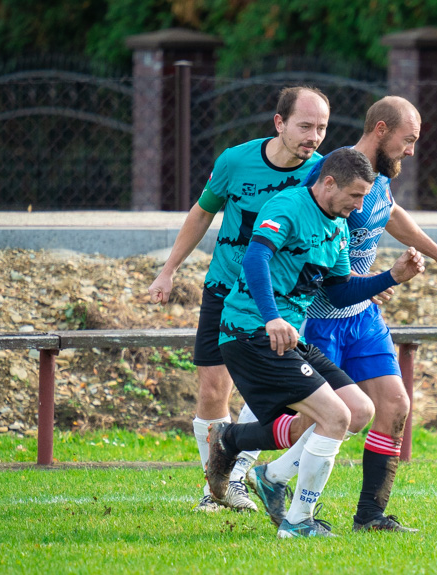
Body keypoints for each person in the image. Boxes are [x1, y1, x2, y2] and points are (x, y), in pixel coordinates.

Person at [244, 95, 437, 532]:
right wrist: (361, 280)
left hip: (361, 315)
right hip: (316, 317)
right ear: (382, 131)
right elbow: (301, 238)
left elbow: (387, 214)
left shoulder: (377, 178)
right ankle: (245, 457)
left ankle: (369, 515)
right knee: (325, 418)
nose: (411, 150)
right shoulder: (328, 174)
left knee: (394, 406)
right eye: (408, 140)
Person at [205, 147, 426, 538]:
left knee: (358, 410)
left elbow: (339, 292)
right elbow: (255, 260)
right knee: (334, 417)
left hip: (286, 338)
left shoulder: (338, 228)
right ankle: (297, 522)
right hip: (250, 332)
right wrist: (272, 316)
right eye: (355, 195)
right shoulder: (287, 205)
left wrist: (391, 276)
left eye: (364, 197)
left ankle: (245, 453)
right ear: (327, 183)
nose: (359, 205)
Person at [147, 86, 330, 512]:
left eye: (322, 127)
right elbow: (201, 213)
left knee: (276, 393)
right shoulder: (235, 161)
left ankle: (242, 475)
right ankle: (215, 487)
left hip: (280, 303)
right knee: (213, 390)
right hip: (225, 290)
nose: (314, 136)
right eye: (305, 126)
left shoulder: (322, 172)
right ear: (279, 123)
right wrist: (169, 269)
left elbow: (334, 230)